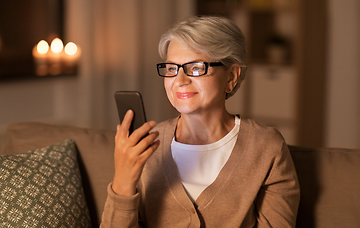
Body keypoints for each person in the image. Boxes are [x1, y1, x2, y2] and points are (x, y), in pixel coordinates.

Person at [101, 16, 300, 227]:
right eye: (171, 69)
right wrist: (123, 180)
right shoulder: (145, 146)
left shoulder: (266, 148)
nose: (179, 81)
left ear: (231, 76)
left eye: (195, 68)